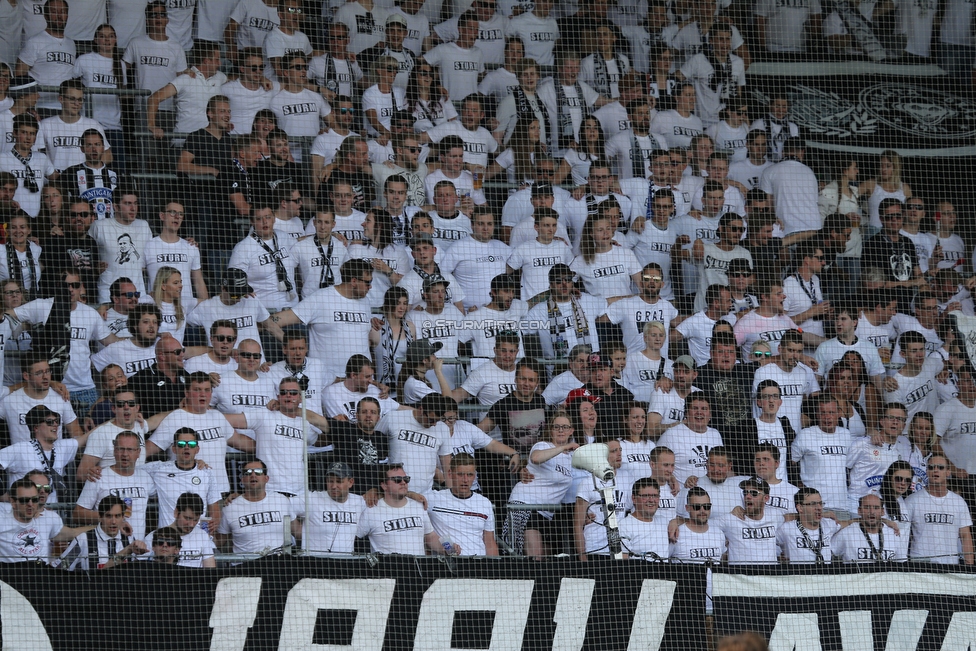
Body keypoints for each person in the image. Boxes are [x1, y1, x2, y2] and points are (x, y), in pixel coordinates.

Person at [145, 374, 254, 494]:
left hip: (220, 493)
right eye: (197, 390)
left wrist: (270, 446)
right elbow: (146, 451)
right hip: (188, 495)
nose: (203, 394)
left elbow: (238, 440)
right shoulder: (174, 419)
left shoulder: (217, 416)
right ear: (186, 393)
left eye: (207, 390)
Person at [271, 258, 373, 382]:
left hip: (361, 380)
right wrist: (288, 343)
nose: (370, 286)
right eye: (368, 282)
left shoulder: (365, 302)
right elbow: (277, 320)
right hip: (330, 380)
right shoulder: (321, 298)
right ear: (354, 281)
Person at [240, 377, 332, 498]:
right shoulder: (264, 415)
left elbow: (321, 440)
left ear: (300, 398)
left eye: (293, 393)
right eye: (283, 393)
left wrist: (338, 431)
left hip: (298, 493)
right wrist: (210, 413)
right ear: (278, 397)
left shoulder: (303, 423)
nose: (288, 395)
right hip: (270, 490)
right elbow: (229, 420)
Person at [505, 411, 578, 558]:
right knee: (536, 557)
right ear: (550, 430)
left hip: (547, 513)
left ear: (571, 430)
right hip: (527, 505)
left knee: (547, 558)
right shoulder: (543, 445)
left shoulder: (573, 457)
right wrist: (563, 447)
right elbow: (536, 458)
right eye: (556, 427)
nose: (561, 430)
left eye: (565, 427)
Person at [74, 429, 154, 540]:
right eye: (121, 449)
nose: (125, 454)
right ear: (114, 451)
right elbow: (78, 513)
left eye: (130, 450)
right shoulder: (98, 476)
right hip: (108, 550)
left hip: (137, 552)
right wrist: (112, 520)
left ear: (138, 452)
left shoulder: (146, 478)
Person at [0, 405, 86, 503]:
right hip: (25, 514)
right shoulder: (21, 449)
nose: (55, 425)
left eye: (57, 421)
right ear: (36, 428)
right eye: (50, 422)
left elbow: (87, 437)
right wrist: (2, 494)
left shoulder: (62, 447)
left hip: (53, 515)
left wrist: (106, 422)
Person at [357, 463, 447, 555]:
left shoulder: (418, 506)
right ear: (384, 485)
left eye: (406, 479)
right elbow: (353, 536)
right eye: (397, 480)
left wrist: (449, 547)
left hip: (418, 568)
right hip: (387, 568)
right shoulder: (371, 510)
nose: (403, 482)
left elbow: (431, 536)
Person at [525, 264, 606, 362]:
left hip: (591, 369)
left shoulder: (587, 300)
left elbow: (613, 304)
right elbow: (518, 330)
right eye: (558, 281)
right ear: (550, 285)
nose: (564, 284)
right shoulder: (538, 311)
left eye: (568, 279)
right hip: (560, 371)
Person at [792, 395, 855, 520]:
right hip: (814, 507)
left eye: (831, 412)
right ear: (816, 414)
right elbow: (790, 463)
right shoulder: (805, 435)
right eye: (823, 413)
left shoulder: (846, 435)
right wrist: (798, 485)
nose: (827, 417)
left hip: (842, 506)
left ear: (838, 414)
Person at [0, 477, 91, 564]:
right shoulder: (2, 522)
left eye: (35, 499)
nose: (30, 504)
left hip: (42, 575)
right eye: (24, 500)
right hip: (10, 576)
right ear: (12, 502)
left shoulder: (48, 519)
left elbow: (72, 533)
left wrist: (101, 526)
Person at [216, 459, 297, 556]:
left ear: (266, 478)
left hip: (277, 564)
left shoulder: (281, 501)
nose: (253, 475)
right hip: (245, 566)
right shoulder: (230, 507)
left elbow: (297, 531)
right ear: (242, 479)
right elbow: (219, 542)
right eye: (248, 472)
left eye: (258, 472)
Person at [375, 393, 452, 494]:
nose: (434, 424)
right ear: (421, 409)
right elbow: (373, 445)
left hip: (425, 495)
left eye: (437, 421)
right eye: (431, 420)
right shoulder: (393, 418)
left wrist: (452, 495)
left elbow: (448, 468)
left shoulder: (443, 429)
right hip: (394, 493)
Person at [907, 454, 974, 564]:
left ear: (948, 472)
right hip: (920, 567)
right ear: (927, 471)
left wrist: (969, 566)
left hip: (950, 566)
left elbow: (965, 535)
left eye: (940, 467)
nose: (935, 471)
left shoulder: (959, 502)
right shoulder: (912, 500)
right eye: (931, 467)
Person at [427, 453, 499, 556]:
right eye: (460, 474)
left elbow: (490, 542)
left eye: (469, 475)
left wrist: (494, 569)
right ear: (450, 474)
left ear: (474, 476)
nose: (465, 480)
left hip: (479, 566)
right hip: (446, 565)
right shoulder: (433, 499)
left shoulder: (484, 503)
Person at [0, 356, 81, 444]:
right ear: (26, 376)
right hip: (22, 457)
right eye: (39, 373)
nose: (45, 377)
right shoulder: (9, 401)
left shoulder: (61, 398)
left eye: (47, 371)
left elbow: (76, 432)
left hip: (55, 456)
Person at [15, 0, 76, 112]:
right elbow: (20, 72)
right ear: (46, 16)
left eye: (62, 11)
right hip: (41, 107)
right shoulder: (35, 41)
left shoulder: (71, 44)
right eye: (54, 11)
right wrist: (28, 106)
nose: (59, 16)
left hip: (65, 108)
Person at [758, 138, 821, 242]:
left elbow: (767, 206)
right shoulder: (810, 172)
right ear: (802, 152)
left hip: (789, 230)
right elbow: (815, 202)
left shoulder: (770, 171)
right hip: (814, 229)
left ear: (783, 152)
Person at [298, 461, 366, 555]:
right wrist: (299, 533)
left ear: (350, 482)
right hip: (315, 563)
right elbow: (285, 506)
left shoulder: (360, 502)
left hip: (346, 564)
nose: (333, 486)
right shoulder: (311, 499)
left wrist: (375, 492)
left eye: (339, 481)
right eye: (330, 481)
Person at [61, 495, 145, 570]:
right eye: (109, 516)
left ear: (123, 517)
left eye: (117, 516)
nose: (114, 521)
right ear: (100, 517)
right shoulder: (83, 540)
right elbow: (61, 567)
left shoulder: (129, 538)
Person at [715, 476, 783, 564]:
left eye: (754, 493)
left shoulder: (775, 515)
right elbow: (701, 524)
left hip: (769, 576)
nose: (748, 496)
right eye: (745, 492)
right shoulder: (732, 518)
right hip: (740, 576)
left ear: (766, 498)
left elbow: (792, 517)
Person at [658, 393, 724, 484]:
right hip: (681, 493)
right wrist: (671, 478)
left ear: (710, 414)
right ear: (686, 413)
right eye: (695, 408)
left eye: (704, 409)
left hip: (712, 491)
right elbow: (656, 465)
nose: (699, 412)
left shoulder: (715, 434)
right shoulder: (671, 434)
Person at [0, 114, 55, 218]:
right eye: (24, 132)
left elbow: (57, 178)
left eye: (32, 134)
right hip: (11, 216)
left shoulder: (42, 158)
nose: (28, 138)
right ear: (15, 133)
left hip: (38, 219)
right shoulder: (2, 159)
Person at [775, 487, 838, 564]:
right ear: (800, 508)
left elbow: (848, 523)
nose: (819, 508)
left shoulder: (828, 524)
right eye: (813, 504)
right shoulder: (787, 529)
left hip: (826, 574)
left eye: (820, 503)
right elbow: (767, 542)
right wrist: (777, 556)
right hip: (799, 575)